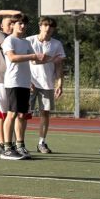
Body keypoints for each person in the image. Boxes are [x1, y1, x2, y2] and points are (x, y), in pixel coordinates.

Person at [0, 14, 46, 160]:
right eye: (19, 23)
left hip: (24, 83)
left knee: (22, 115)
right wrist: (33, 56)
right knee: (12, 114)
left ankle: (20, 146)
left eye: (25, 23)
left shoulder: (26, 42)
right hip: (13, 82)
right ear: (12, 25)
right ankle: (7, 148)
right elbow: (13, 58)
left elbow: (34, 61)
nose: (23, 26)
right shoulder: (9, 40)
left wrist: (52, 58)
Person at [27, 16, 66, 153]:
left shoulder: (57, 44)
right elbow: (22, 63)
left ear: (53, 29)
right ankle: (19, 144)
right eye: (45, 25)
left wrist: (60, 84)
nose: (48, 28)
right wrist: (27, 80)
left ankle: (41, 143)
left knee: (45, 114)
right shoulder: (29, 41)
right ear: (40, 26)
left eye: (51, 26)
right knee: (22, 114)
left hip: (47, 84)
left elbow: (59, 65)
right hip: (29, 84)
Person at [0, 9, 23, 158]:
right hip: (1, 81)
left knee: (13, 113)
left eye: (14, 23)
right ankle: (3, 145)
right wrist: (1, 13)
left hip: (14, 80)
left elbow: (20, 14)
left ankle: (13, 144)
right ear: (2, 26)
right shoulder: (0, 36)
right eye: (9, 23)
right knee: (1, 114)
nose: (12, 26)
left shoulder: (18, 39)